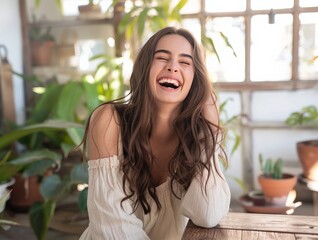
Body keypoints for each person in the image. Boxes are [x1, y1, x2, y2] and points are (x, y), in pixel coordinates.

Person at [79, 26, 231, 240]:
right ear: (144, 67)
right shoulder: (109, 120)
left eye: (185, 62)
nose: (173, 67)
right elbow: (112, 227)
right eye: (162, 58)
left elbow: (208, 214)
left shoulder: (196, 137)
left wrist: (210, 131)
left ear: (195, 79)